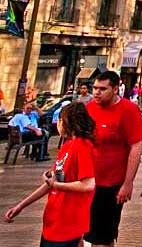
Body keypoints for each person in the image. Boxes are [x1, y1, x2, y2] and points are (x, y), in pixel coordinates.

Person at [4, 102, 96, 247]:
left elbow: (88, 184)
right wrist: (21, 206)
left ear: (65, 121)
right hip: (53, 222)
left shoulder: (82, 146)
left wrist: (55, 184)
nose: (57, 124)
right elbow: (51, 183)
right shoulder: (67, 146)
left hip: (67, 225)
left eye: (59, 120)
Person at [83, 71, 142, 247]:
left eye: (102, 89)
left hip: (111, 184)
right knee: (88, 233)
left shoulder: (128, 110)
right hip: (88, 181)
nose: (96, 92)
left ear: (116, 89)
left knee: (103, 236)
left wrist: (128, 183)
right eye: (94, 88)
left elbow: (136, 146)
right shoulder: (89, 108)